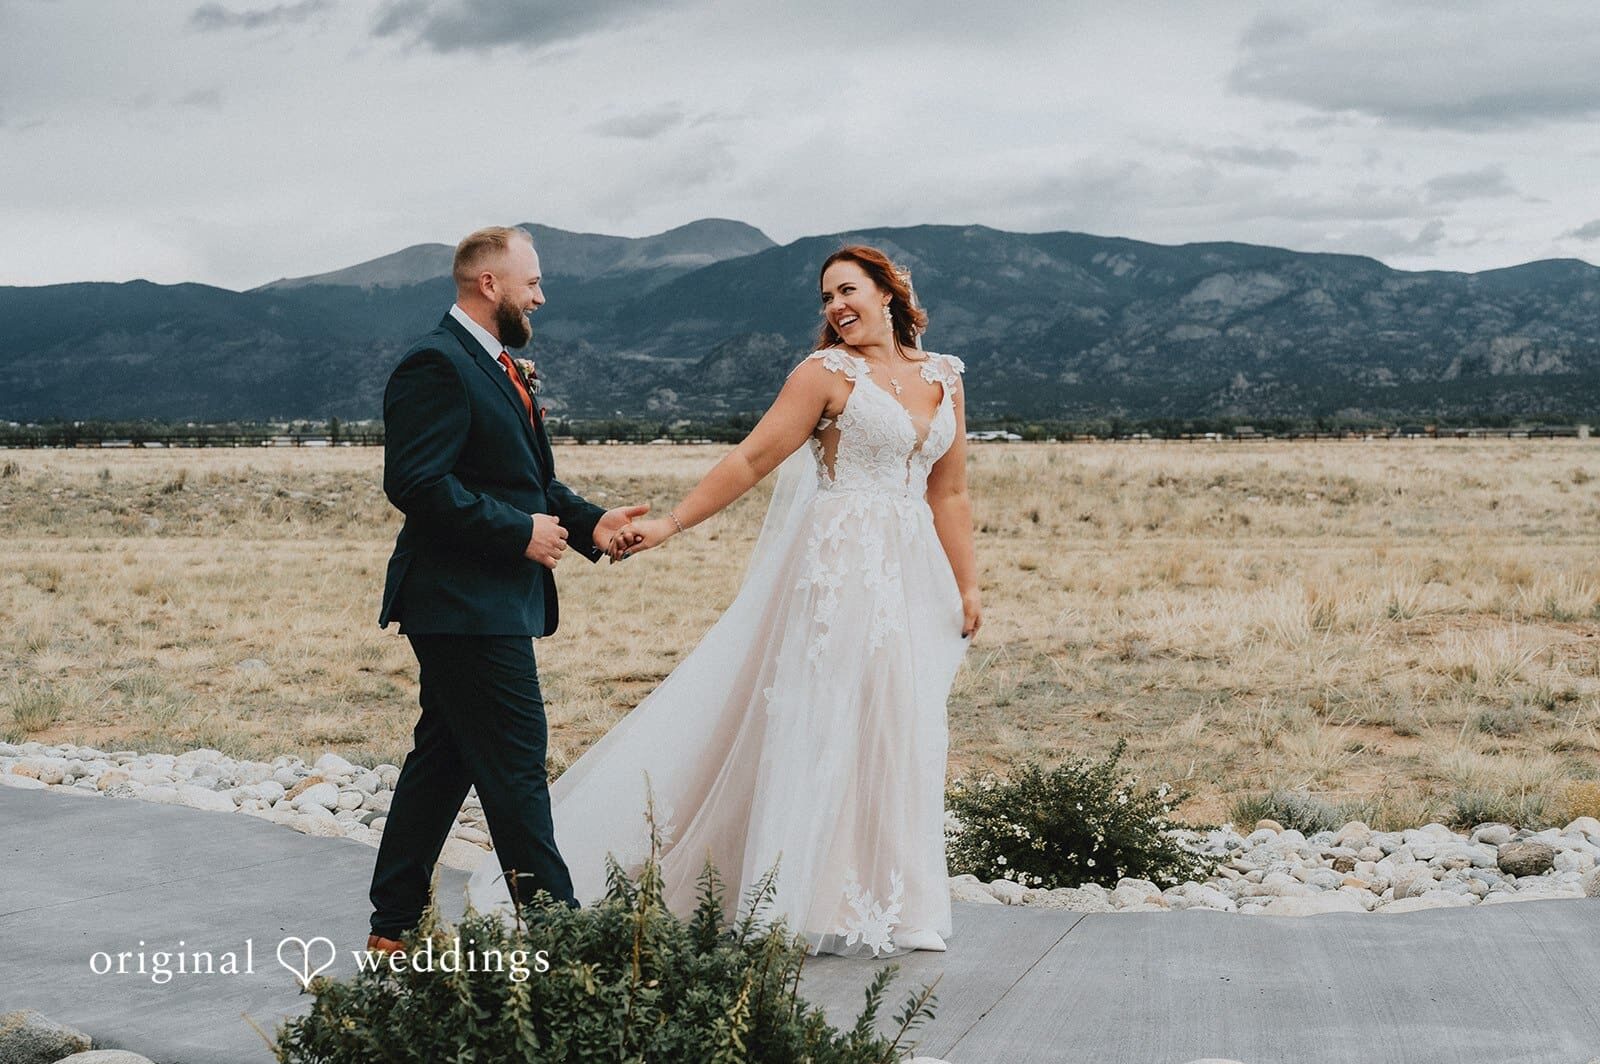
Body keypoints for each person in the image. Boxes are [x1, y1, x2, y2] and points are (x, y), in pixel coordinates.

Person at [468, 243, 980, 956]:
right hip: (837, 567)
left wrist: (968, 583)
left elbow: (948, 491)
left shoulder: (945, 377)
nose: (836, 307)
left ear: (890, 292)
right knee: (823, 715)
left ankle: (900, 902)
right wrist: (671, 523)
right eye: (827, 297)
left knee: (898, 720)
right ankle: (800, 893)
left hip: (910, 567)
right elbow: (749, 458)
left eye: (848, 291)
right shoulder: (824, 374)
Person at [367, 225, 647, 953]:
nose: (541, 297)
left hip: (480, 602)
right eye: (532, 283)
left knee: (446, 759)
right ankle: (560, 939)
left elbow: (531, 482)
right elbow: (417, 483)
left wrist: (591, 524)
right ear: (488, 285)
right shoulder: (436, 364)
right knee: (517, 763)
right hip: (460, 602)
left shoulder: (496, 365)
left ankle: (391, 930)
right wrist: (517, 532)